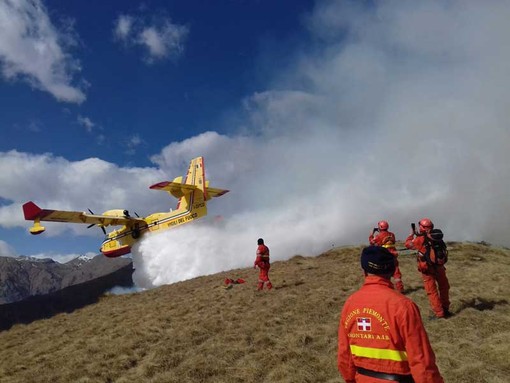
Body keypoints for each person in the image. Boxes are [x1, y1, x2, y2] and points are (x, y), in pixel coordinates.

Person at [338, 246, 444, 383]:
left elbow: (344, 355)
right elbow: (421, 360)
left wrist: (351, 379)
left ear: (364, 270)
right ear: (393, 270)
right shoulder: (403, 306)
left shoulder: (350, 304)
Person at [405, 218, 451, 319]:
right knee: (444, 287)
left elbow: (408, 244)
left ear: (421, 227)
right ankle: (446, 308)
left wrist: (411, 234)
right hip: (440, 267)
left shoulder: (419, 240)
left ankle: (439, 313)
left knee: (432, 291)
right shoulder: (437, 237)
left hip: (427, 269)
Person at [369, 220, 404, 292]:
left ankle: (388, 290)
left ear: (379, 227)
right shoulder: (392, 235)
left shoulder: (378, 236)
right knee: (396, 275)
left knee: (384, 275)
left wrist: (371, 234)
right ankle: (400, 290)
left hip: (384, 258)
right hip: (393, 256)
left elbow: (372, 242)